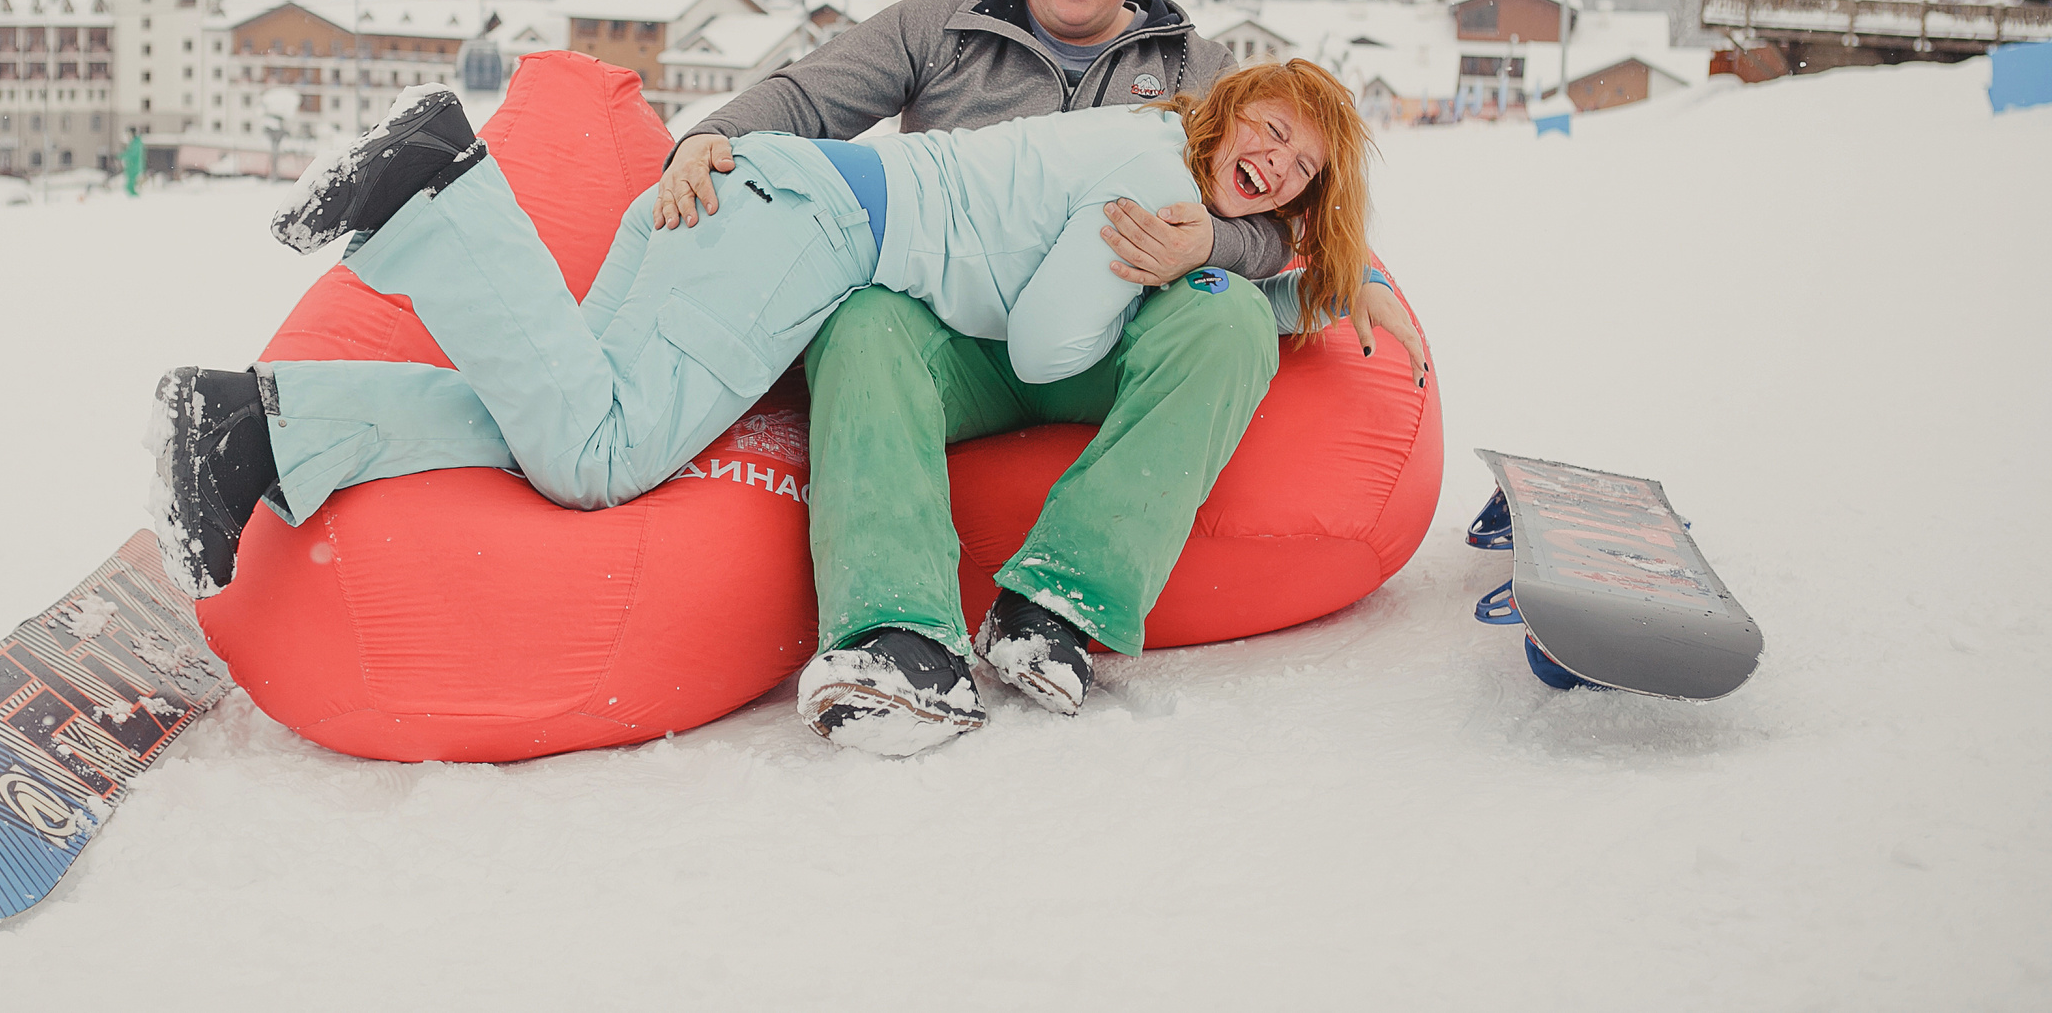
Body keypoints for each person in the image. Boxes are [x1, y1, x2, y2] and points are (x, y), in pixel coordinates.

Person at [151, 54, 1413, 749]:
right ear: (1226, 109)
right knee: (598, 454)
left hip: (773, 200)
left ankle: (261, 423)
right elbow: (1039, 350)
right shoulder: (1148, 176)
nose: (1271, 158)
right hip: (804, 228)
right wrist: (1157, 261)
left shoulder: (1153, 148)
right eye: (1266, 126)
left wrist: (1234, 257)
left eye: (1297, 164)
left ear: (1308, 193)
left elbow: (1290, 281)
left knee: (567, 394)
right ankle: (440, 194)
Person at [651, 0, 1422, 750]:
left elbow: (1289, 194)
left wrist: (1240, 257)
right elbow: (807, 99)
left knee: (1229, 322)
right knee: (861, 320)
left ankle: (1057, 601)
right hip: (955, 328)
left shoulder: (1197, 66)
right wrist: (706, 142)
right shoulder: (938, 29)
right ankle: (898, 635)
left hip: (1115, 336)